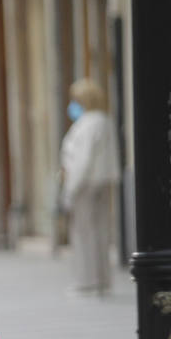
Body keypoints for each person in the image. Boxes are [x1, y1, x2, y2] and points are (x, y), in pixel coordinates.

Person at [60, 77, 120, 295]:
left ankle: (87, 281)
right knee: (101, 232)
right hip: (103, 183)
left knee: (83, 233)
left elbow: (81, 161)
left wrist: (70, 191)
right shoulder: (104, 120)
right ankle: (102, 279)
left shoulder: (87, 124)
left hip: (84, 185)